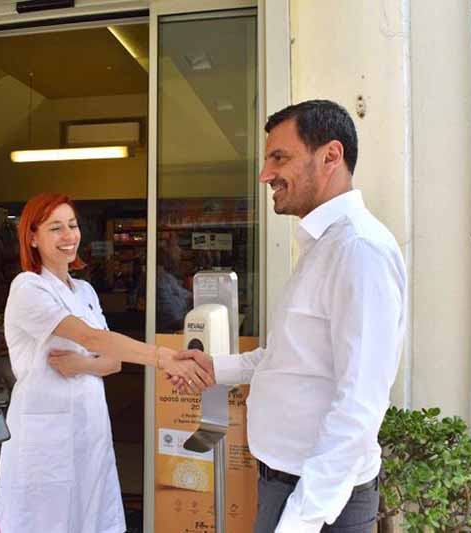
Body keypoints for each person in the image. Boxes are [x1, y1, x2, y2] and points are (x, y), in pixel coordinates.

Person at [173, 100, 407, 533]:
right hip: (288, 483)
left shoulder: (358, 249)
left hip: (318, 498)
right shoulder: (323, 245)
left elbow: (361, 399)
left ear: (331, 156)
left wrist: (302, 518)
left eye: (279, 158)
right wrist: (214, 367)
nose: (265, 175)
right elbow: (287, 357)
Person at [0, 193, 211, 533]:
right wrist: (163, 357)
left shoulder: (85, 291)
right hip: (43, 435)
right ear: (32, 237)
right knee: (43, 519)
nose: (69, 235)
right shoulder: (28, 287)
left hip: (89, 425)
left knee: (90, 514)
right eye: (55, 228)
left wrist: (80, 366)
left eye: (72, 225)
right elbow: (92, 339)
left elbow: (113, 361)